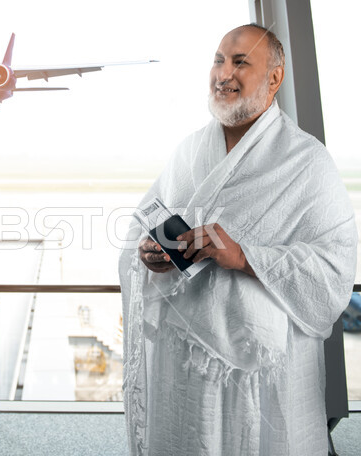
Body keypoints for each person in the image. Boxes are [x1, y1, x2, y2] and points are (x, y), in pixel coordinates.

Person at [118, 24, 358, 456]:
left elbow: (335, 269)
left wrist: (246, 257)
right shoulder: (189, 152)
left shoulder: (307, 162)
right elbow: (141, 225)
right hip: (182, 369)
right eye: (218, 60)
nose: (223, 73)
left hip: (262, 377)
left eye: (240, 62)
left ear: (274, 78)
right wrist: (147, 253)